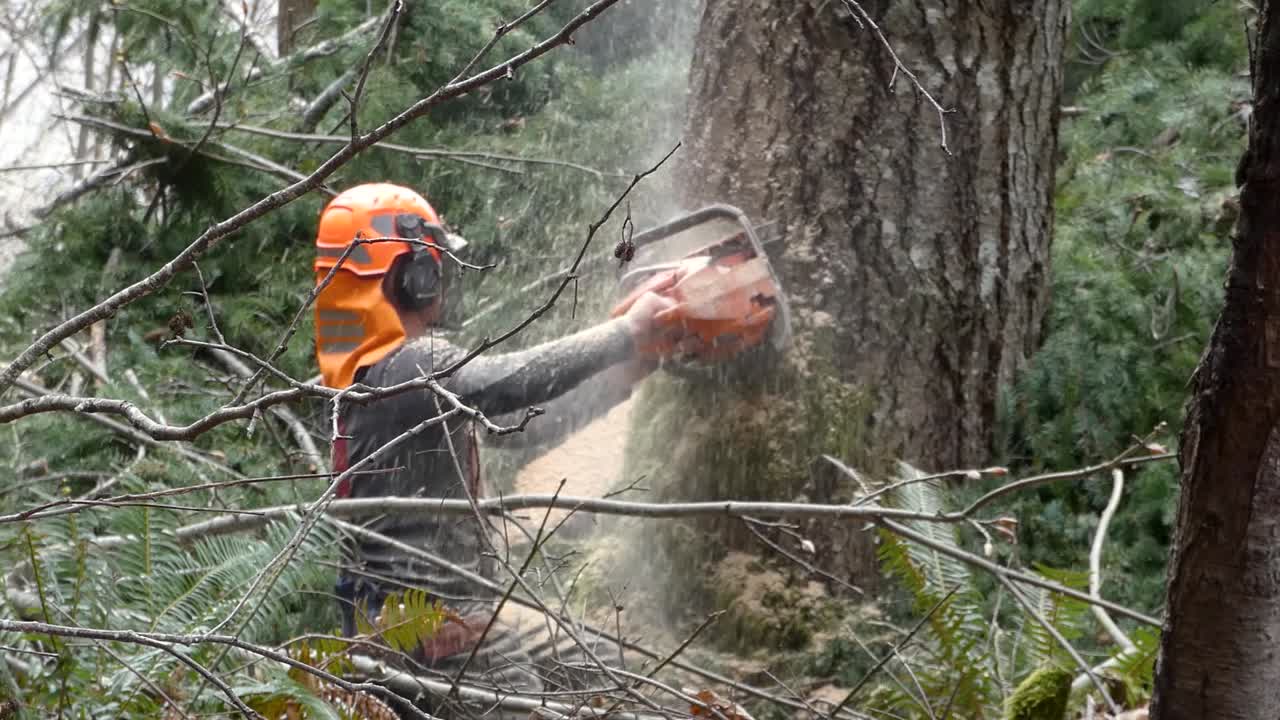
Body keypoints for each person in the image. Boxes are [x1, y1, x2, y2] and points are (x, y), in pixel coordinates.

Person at [312, 183, 678, 708]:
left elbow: (525, 426)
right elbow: (513, 382)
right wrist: (625, 331)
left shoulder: (380, 374)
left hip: (435, 616)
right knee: (527, 695)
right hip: (429, 631)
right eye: (434, 267)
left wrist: (630, 371)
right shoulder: (412, 367)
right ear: (412, 277)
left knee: (597, 666)